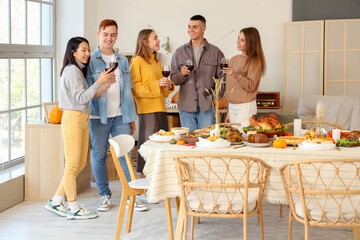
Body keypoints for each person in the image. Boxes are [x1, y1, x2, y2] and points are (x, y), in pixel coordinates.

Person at [44, 37, 114, 220]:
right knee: (73, 164)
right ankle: (73, 206)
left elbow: (86, 96)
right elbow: (82, 98)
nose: (87, 54)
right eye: (83, 50)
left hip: (81, 118)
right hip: (73, 118)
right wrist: (99, 81)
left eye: (88, 50)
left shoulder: (77, 70)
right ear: (73, 52)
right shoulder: (72, 71)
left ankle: (56, 200)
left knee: (80, 164)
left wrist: (104, 84)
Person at [86, 19, 146, 212]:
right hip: (98, 116)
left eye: (112, 35)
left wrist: (132, 115)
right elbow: (88, 91)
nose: (109, 38)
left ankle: (132, 195)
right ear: (98, 34)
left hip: (121, 115)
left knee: (126, 155)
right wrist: (103, 84)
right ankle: (104, 195)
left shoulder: (122, 60)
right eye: (105, 34)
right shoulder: (90, 60)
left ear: (116, 36)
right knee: (99, 155)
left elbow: (128, 90)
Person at [170, 15, 225, 132]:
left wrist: (214, 98)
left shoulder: (216, 52)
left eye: (195, 27)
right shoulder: (179, 52)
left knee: (207, 141)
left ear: (204, 29)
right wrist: (182, 74)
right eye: (189, 27)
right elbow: (174, 79)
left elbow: (223, 78)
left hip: (207, 107)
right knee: (190, 143)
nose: (191, 30)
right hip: (186, 107)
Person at [130, 29, 174, 173]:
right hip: (147, 110)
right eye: (155, 38)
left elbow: (161, 89)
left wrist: (168, 85)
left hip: (160, 108)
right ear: (145, 42)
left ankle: (160, 180)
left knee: (162, 146)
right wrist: (157, 84)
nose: (158, 41)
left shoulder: (156, 61)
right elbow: (135, 87)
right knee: (148, 148)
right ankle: (144, 185)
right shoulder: (137, 61)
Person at [223, 27, 266, 124]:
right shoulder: (234, 59)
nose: (238, 42)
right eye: (238, 38)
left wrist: (234, 74)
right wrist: (229, 111)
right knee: (234, 137)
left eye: (242, 40)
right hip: (232, 106)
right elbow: (231, 87)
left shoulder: (254, 61)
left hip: (245, 106)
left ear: (251, 43)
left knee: (242, 137)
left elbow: (251, 86)